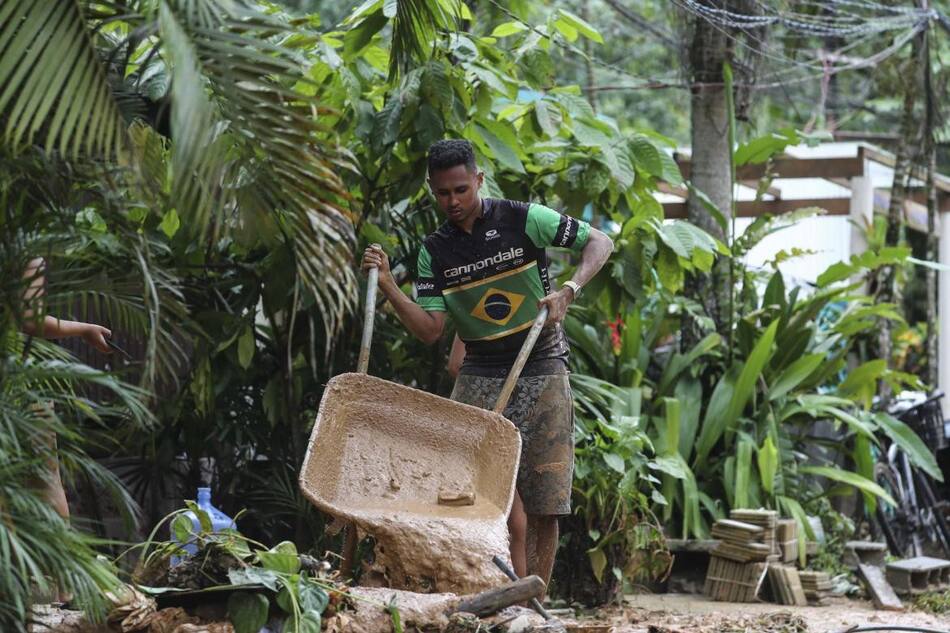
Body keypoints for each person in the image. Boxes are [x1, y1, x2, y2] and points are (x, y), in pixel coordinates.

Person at [361, 139, 613, 585]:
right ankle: (482, 592)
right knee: (466, 493)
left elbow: (600, 241)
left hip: (541, 365)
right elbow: (431, 330)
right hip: (479, 374)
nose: (452, 201)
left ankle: (534, 603)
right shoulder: (434, 251)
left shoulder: (524, 218)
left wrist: (569, 289)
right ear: (431, 190)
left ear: (478, 179)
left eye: (461, 189)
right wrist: (388, 288)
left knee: (544, 501)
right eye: (442, 193)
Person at [21, 257, 113, 519]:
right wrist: (83, 330)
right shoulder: (23, 242)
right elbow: (30, 319)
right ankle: (56, 558)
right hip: (18, 386)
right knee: (44, 482)